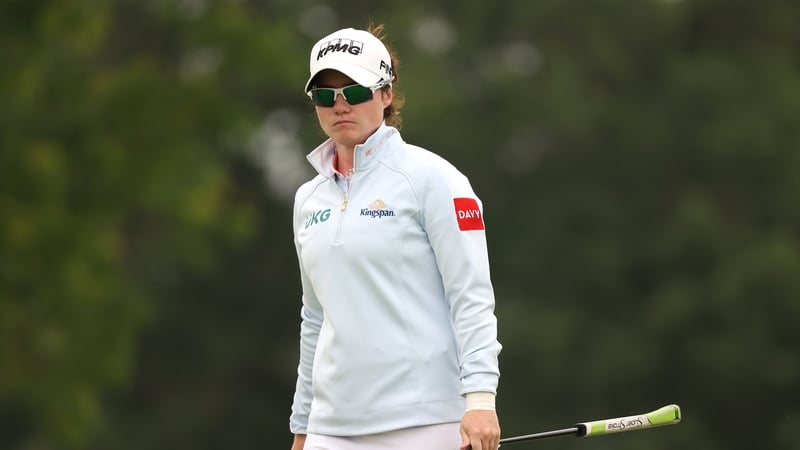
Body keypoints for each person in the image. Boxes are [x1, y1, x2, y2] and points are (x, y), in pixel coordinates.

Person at [289, 23, 502, 450]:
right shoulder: (308, 199)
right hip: (332, 429)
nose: (340, 106)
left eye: (354, 91)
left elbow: (471, 295)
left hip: (425, 422)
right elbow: (315, 318)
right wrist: (302, 426)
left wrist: (481, 399)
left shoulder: (434, 179)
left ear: (386, 95)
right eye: (326, 96)